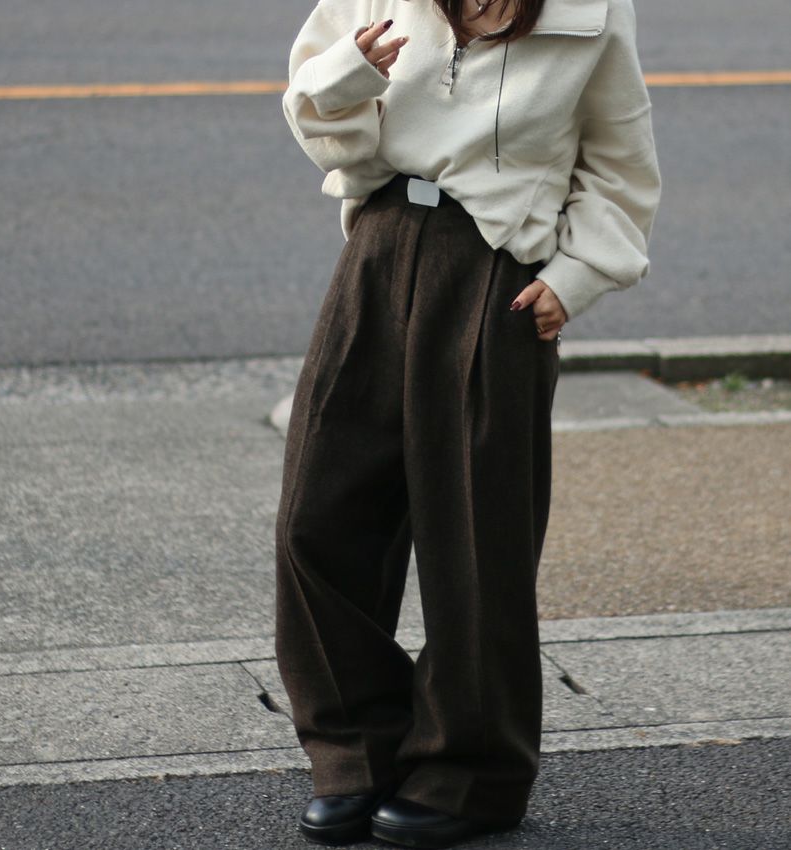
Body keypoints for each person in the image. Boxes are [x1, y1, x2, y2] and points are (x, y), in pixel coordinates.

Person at [274, 0, 661, 846]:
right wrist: (350, 74)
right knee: (317, 518)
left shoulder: (591, 13)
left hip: (499, 275)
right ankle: (357, 751)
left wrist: (578, 273)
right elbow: (315, 119)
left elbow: (621, 165)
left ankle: (472, 774)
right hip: (377, 248)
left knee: (478, 540)